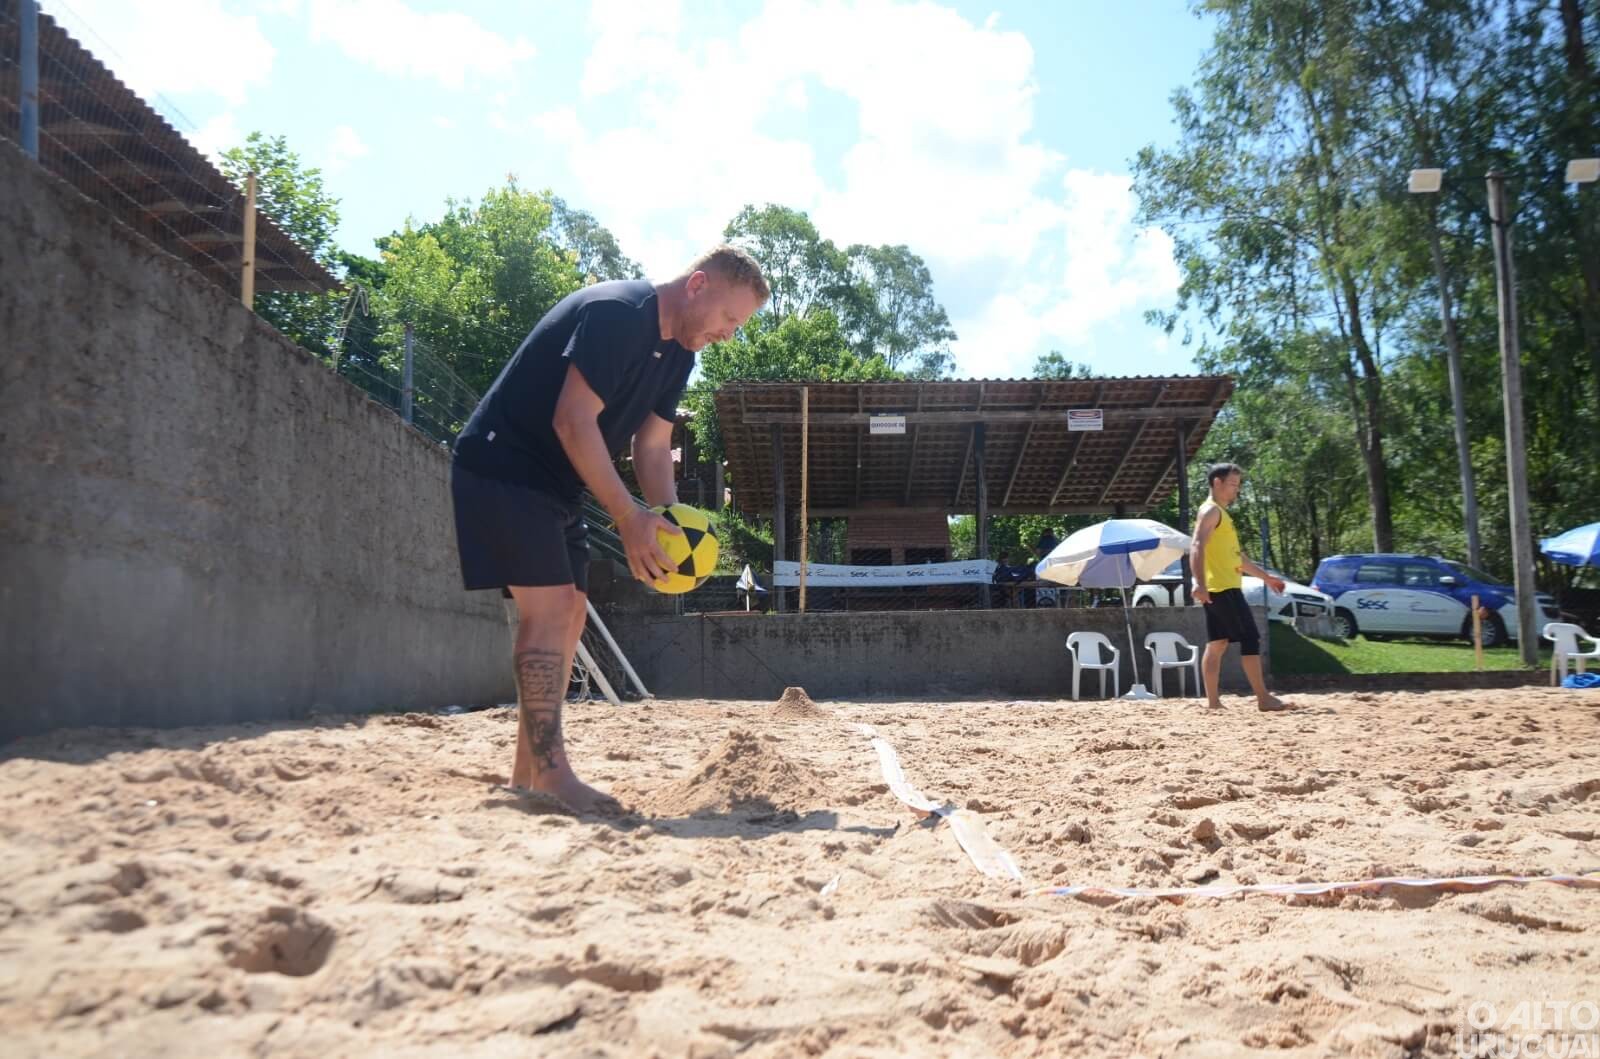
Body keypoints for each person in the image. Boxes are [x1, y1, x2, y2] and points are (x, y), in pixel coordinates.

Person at [450, 246, 770, 812]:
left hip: (556, 484)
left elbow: (652, 445)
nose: (729, 334)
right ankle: (551, 772)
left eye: (737, 326)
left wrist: (671, 528)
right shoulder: (620, 313)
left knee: (570, 613)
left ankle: (526, 779)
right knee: (548, 611)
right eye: (729, 318)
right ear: (697, 285)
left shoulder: (678, 356)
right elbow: (572, 420)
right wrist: (627, 516)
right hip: (504, 466)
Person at [1190, 463, 1288, 712]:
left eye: (1238, 485)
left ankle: (1213, 703)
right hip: (1222, 588)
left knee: (1217, 643)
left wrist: (1268, 578)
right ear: (1217, 483)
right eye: (1233, 485)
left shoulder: (1221, 514)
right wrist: (1199, 583)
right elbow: (1196, 546)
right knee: (1250, 639)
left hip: (1219, 587)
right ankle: (1263, 698)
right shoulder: (1212, 511)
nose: (1237, 490)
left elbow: (1239, 559)